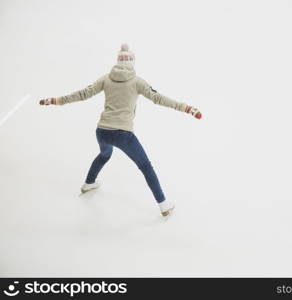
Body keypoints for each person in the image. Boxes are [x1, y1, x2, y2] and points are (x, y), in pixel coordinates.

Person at [39, 44, 202, 217]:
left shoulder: (106, 79)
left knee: (104, 155)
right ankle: (163, 205)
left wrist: (55, 100)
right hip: (123, 135)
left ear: (118, 62)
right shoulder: (137, 81)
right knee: (145, 166)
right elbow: (159, 98)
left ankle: (88, 184)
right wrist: (186, 108)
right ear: (132, 62)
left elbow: (82, 94)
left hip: (102, 131)